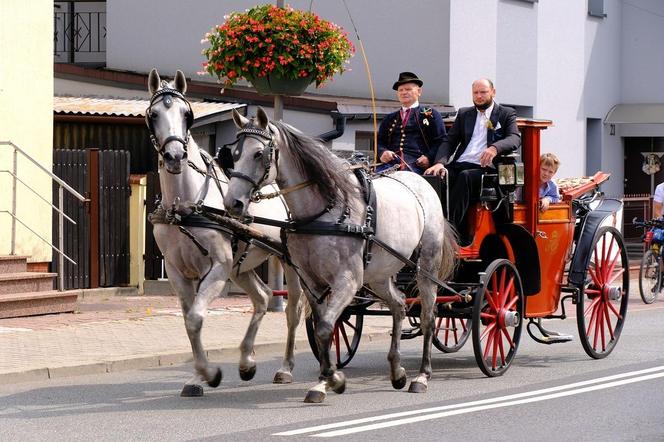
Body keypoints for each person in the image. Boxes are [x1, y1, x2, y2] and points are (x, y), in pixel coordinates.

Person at [424, 78, 521, 242]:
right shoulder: (464, 113)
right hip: (461, 164)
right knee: (435, 177)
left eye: (483, 92)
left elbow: (514, 138)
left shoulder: (506, 113)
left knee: (465, 177)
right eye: (475, 93)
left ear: (493, 92)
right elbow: (450, 141)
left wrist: (494, 148)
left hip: (486, 170)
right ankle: (427, 228)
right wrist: (439, 162)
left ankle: (447, 232)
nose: (479, 96)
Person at [376, 72, 447, 174]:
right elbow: (380, 141)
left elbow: (441, 141)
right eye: (401, 90)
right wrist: (382, 152)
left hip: (417, 166)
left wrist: (428, 157)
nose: (404, 92)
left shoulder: (431, 114)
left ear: (419, 91)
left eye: (408, 89)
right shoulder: (389, 118)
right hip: (390, 165)